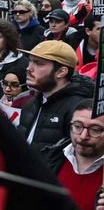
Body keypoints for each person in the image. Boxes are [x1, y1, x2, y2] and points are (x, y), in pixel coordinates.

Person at [18, 40, 94, 172]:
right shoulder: (32, 103)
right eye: (30, 61)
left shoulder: (79, 110)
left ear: (61, 72)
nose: (29, 68)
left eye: (38, 63)